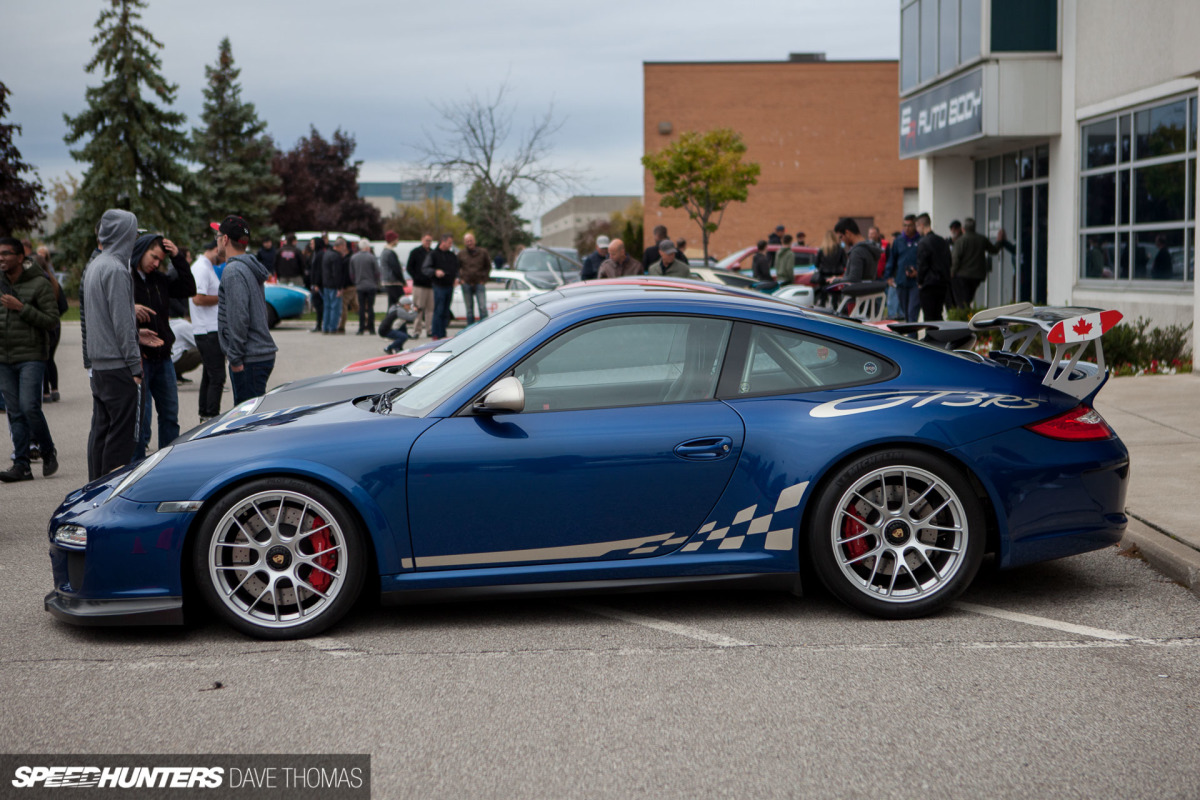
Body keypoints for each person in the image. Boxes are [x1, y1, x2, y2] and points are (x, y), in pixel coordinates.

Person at [83, 209, 157, 481]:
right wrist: (135, 365)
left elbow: (101, 319)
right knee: (123, 438)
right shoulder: (116, 269)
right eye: (133, 234)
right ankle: (110, 492)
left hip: (101, 367)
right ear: (123, 234)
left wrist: (134, 336)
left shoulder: (96, 265)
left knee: (102, 432)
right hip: (118, 367)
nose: (134, 240)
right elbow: (122, 322)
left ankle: (94, 490)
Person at [130, 232, 196, 459]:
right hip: (140, 359)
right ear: (141, 251)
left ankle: (168, 463)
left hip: (164, 358)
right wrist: (131, 312)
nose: (156, 263)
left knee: (169, 416)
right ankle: (137, 467)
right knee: (140, 421)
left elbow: (189, 288)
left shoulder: (160, 280)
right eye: (153, 257)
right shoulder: (126, 279)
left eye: (160, 260)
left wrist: (178, 257)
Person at [0, 236, 60, 481]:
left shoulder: (39, 284)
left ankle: (47, 450)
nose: (1, 258)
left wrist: (21, 307)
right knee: (14, 411)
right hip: (4, 358)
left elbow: (51, 320)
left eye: (6, 253)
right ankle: (22, 465)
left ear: (20, 257)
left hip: (31, 356)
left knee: (29, 407)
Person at [215, 215, 277, 403]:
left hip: (249, 358)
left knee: (248, 418)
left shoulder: (233, 271)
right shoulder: (248, 266)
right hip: (257, 355)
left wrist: (235, 358)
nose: (216, 241)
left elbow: (239, 316)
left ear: (225, 239)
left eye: (218, 236)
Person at [189, 240, 224, 421]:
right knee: (217, 377)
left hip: (209, 329)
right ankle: (211, 416)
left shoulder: (207, 266)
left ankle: (205, 414)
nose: (224, 259)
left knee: (210, 375)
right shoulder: (201, 268)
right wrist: (222, 297)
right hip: (207, 330)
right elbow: (198, 299)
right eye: (223, 254)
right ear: (216, 249)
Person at [30, 246, 66, 403]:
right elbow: (64, 306)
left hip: (44, 326)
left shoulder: (38, 284)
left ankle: (45, 392)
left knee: (43, 358)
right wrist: (55, 317)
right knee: (50, 358)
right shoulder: (54, 282)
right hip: (55, 327)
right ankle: (54, 389)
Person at [950, 218, 1004, 308]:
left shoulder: (960, 241)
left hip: (962, 276)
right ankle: (967, 312)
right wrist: (999, 241)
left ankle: (964, 314)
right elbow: (994, 250)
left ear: (963, 229)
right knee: (968, 298)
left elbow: (955, 259)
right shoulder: (982, 239)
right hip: (977, 276)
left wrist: (952, 272)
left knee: (962, 301)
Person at [915, 212, 952, 322]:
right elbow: (949, 261)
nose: (917, 230)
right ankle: (939, 333)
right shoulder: (942, 241)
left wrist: (919, 281)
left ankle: (931, 334)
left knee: (929, 317)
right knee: (938, 315)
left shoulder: (923, 242)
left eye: (917, 226)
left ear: (922, 225)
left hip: (929, 285)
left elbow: (922, 265)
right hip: (942, 284)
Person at [884, 215, 922, 323]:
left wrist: (918, 271)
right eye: (905, 225)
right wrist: (888, 276)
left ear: (915, 225)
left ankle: (912, 333)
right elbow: (892, 260)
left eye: (910, 225)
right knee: (905, 313)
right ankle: (910, 331)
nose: (907, 228)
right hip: (901, 281)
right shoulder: (898, 241)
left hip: (915, 283)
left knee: (912, 312)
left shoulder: (921, 240)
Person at [423, 234, 459, 340]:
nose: (450, 245)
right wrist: (435, 272)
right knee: (439, 310)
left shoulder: (451, 255)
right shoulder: (433, 254)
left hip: (449, 286)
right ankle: (436, 334)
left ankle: (443, 333)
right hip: (439, 286)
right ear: (443, 242)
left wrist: (457, 277)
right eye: (449, 243)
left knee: (445, 311)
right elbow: (425, 268)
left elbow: (456, 268)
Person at [458, 232, 492, 325]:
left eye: (471, 240)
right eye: (467, 241)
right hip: (466, 284)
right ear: (465, 242)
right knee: (469, 309)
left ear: (474, 241)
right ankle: (470, 328)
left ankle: (485, 327)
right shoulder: (461, 254)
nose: (469, 243)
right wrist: (461, 280)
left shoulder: (483, 252)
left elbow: (488, 267)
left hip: (479, 283)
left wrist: (484, 280)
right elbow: (457, 267)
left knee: (482, 308)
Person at [835, 218, 881, 283]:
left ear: (847, 233)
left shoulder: (857, 252)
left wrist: (835, 280)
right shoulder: (869, 248)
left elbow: (853, 279)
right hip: (869, 288)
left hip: (858, 289)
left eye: (841, 237)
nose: (841, 240)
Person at [349, 239, 380, 334]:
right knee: (370, 307)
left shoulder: (354, 258)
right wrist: (376, 282)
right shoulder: (372, 257)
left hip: (360, 286)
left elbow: (351, 273)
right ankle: (371, 328)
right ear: (367, 247)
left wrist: (355, 282)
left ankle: (361, 328)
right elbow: (377, 272)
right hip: (371, 285)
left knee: (361, 307)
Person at [406, 234, 434, 338]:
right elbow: (409, 267)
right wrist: (417, 277)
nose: (428, 242)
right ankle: (417, 330)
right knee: (418, 308)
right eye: (426, 240)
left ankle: (429, 330)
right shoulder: (415, 252)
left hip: (431, 285)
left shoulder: (432, 253)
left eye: (430, 241)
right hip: (419, 285)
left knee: (430, 309)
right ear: (422, 240)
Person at [319, 237, 347, 334]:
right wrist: (339, 287)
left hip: (326, 284)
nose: (345, 248)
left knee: (327, 307)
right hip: (334, 286)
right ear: (341, 246)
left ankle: (325, 327)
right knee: (335, 308)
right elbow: (337, 273)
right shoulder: (336, 257)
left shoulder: (327, 254)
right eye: (344, 246)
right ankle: (333, 327)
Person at [813, 229, 846, 305]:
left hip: (824, 276)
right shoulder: (840, 249)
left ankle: (822, 308)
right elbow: (845, 263)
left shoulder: (822, 250)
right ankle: (835, 308)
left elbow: (816, 264)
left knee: (823, 298)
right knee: (836, 298)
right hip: (836, 276)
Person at [379, 230, 406, 306]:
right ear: (392, 240)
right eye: (396, 239)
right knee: (401, 303)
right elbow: (395, 268)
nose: (398, 241)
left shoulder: (385, 252)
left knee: (392, 304)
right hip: (393, 282)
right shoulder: (390, 253)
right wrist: (402, 280)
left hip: (388, 281)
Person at [306, 236, 327, 332]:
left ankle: (320, 324)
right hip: (314, 283)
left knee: (319, 304)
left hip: (318, 285)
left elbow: (319, 270)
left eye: (312, 243)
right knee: (317, 304)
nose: (311, 245)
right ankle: (319, 324)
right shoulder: (315, 254)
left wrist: (317, 284)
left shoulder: (320, 255)